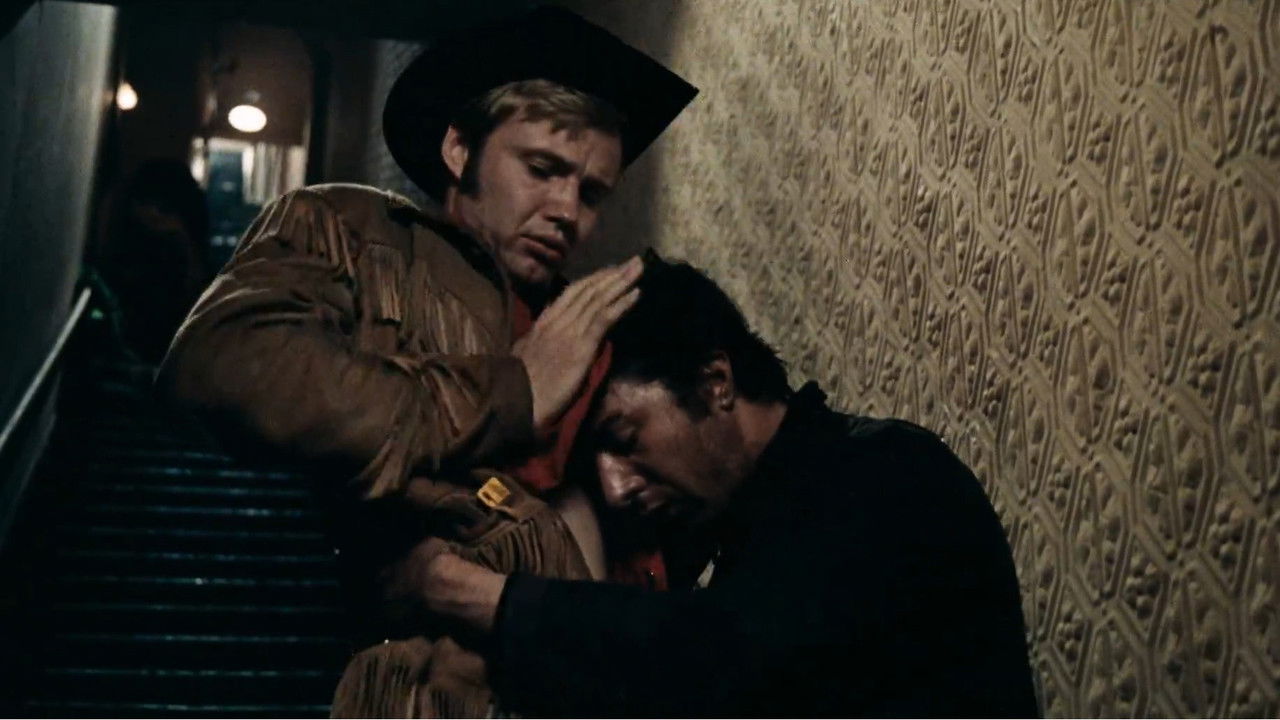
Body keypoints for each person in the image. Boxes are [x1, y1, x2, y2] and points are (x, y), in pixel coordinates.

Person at [156, 6, 696, 717]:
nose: (568, 210)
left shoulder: (583, 319)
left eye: (592, 192)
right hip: (429, 691)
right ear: (459, 150)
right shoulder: (357, 231)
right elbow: (219, 363)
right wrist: (510, 391)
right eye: (542, 169)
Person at [409, 254, 1043, 717]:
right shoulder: (750, 531)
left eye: (625, 438)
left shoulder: (886, 476)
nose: (616, 487)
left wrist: (473, 593)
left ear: (716, 382)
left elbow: (725, 655)